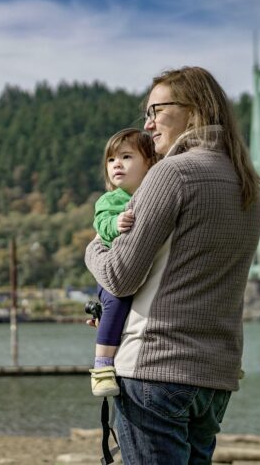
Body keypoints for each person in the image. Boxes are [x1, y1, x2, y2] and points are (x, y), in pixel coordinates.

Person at [84, 66, 260, 465]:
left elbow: (119, 275)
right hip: (216, 376)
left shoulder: (172, 173)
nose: (147, 126)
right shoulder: (247, 181)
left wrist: (93, 247)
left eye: (156, 110)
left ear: (195, 109)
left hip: (156, 368)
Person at [88, 128, 158, 397]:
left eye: (126, 157)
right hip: (112, 271)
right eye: (111, 160)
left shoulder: (153, 195)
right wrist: (115, 223)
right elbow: (101, 225)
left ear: (150, 163)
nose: (116, 164)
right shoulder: (110, 200)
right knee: (116, 302)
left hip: (138, 271)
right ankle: (102, 365)